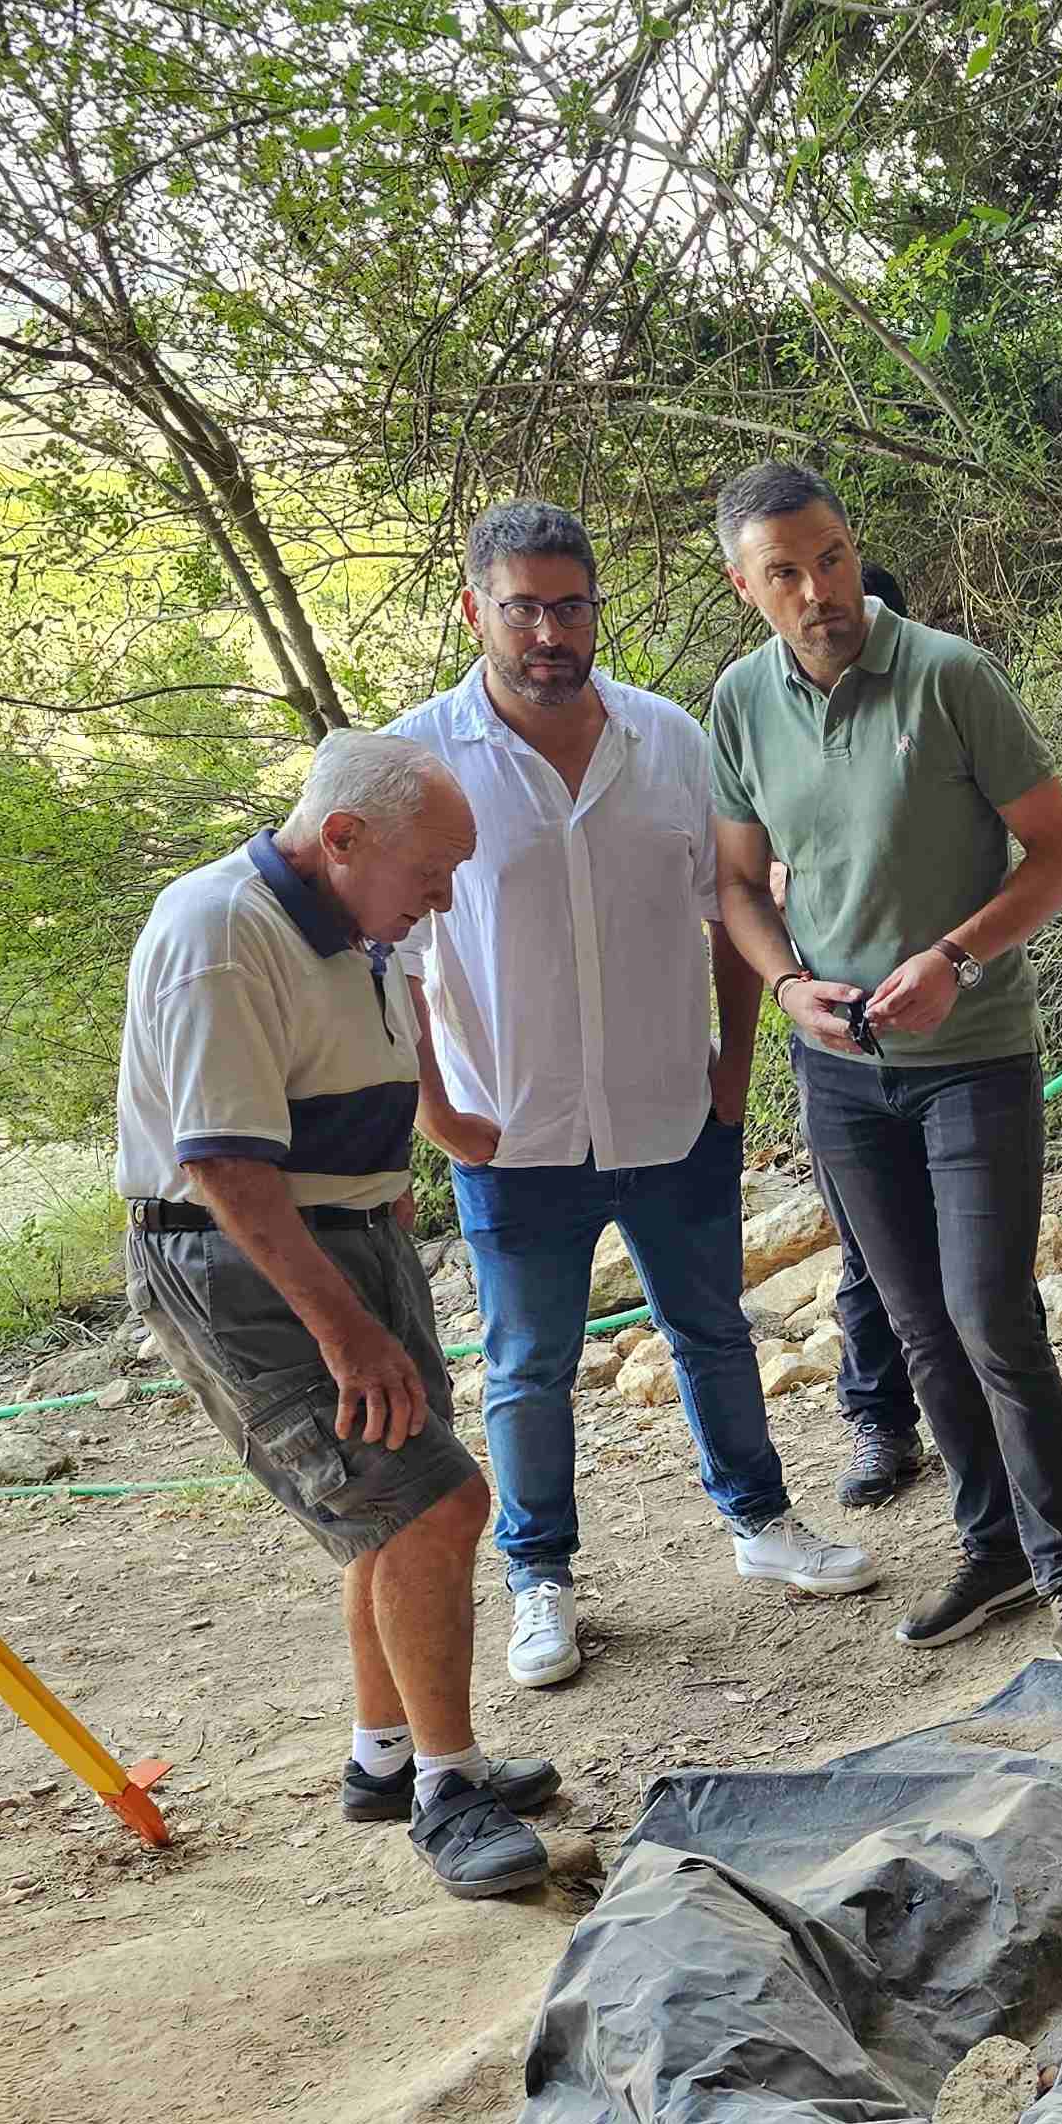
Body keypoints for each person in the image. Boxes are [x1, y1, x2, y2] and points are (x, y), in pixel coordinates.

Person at [390, 499, 871, 1691]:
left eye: (570, 605)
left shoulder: (671, 741)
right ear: (474, 612)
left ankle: (761, 1524)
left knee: (712, 1330)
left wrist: (732, 1065)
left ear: (597, 609)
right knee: (525, 1367)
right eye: (523, 608)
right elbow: (384, 957)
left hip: (672, 1107)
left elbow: (734, 905)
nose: (549, 631)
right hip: (516, 1129)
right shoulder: (420, 759)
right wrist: (438, 1115)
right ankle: (538, 1576)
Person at [114, 730, 553, 1898]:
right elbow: (227, 1169)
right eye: (432, 874)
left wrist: (410, 1203)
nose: (443, 898)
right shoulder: (219, 935)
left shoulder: (360, 923)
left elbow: (367, 1080)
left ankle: (388, 1758)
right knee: (429, 1506)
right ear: (343, 838)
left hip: (357, 1238)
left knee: (391, 1509)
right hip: (244, 1262)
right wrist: (344, 1328)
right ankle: (450, 1790)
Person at [704, 462, 1062, 1657]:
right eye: (783, 572)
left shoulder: (948, 677)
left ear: (851, 549)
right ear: (746, 585)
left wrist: (958, 957)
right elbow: (736, 885)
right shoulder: (739, 703)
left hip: (974, 1050)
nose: (817, 589)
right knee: (915, 1321)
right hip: (840, 1067)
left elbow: (1057, 854)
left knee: (991, 1309)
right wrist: (787, 985)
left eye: (830, 557)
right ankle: (990, 1548)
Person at [807, 558, 927, 1511]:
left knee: (976, 1259)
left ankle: (996, 1421)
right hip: (839, 1041)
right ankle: (880, 1420)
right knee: (863, 1251)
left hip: (957, 1034)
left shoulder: (940, 704)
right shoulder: (770, 727)